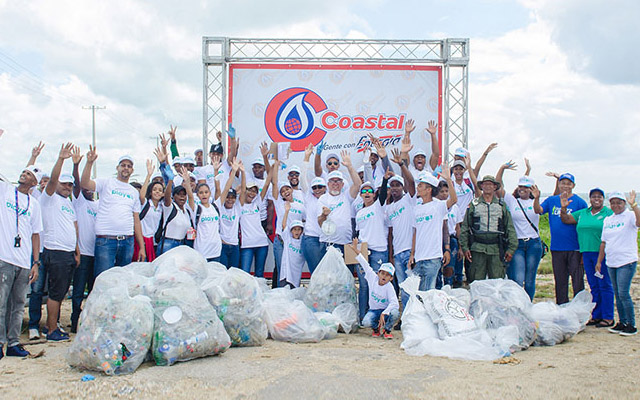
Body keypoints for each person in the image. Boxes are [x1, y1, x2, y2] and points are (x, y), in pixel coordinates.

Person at [37, 143, 79, 342]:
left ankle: (51, 325)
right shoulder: (49, 198)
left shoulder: (68, 202)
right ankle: (52, 329)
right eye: (64, 184)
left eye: (70, 185)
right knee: (55, 292)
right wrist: (61, 159)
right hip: (56, 251)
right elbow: (53, 180)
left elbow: (73, 227)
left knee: (61, 292)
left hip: (68, 252)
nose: (67, 187)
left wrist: (77, 251)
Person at [81, 147, 146, 276]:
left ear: (132, 170)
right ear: (117, 168)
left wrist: (141, 247)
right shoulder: (106, 183)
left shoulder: (133, 192)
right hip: (106, 240)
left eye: (129, 166)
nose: (126, 168)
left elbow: (136, 221)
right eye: (123, 165)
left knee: (122, 281)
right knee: (103, 279)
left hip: (127, 241)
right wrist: (89, 163)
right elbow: (85, 183)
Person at [0, 165, 42, 358]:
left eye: (28, 174)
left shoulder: (33, 204)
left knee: (18, 305)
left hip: (24, 262)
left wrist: (35, 262)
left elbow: (35, 235)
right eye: (23, 172)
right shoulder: (6, 191)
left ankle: (13, 343)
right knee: (1, 303)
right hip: (4, 258)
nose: (23, 175)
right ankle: (0, 342)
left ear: (34, 182)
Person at [559, 188, 614, 326]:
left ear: (603, 199)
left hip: (602, 253)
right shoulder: (583, 213)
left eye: (599, 197)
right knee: (594, 285)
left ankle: (608, 317)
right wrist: (563, 208)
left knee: (605, 284)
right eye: (594, 196)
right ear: (590, 199)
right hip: (586, 253)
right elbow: (566, 219)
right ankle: (596, 315)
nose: (597, 199)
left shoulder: (609, 213)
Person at [534, 173, 588, 304]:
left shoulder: (580, 202)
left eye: (568, 183)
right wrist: (536, 198)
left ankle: (579, 309)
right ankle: (562, 309)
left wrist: (583, 250)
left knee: (577, 282)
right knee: (560, 281)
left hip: (575, 248)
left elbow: (585, 226)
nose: (565, 185)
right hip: (557, 248)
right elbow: (538, 210)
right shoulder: (552, 200)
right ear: (559, 184)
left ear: (573, 185)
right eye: (563, 182)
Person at [496, 159, 543, 300]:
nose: (523, 189)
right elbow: (498, 186)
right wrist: (502, 168)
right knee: (517, 278)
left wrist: (537, 198)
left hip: (534, 243)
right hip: (517, 244)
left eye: (526, 187)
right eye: (521, 186)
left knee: (529, 279)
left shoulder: (536, 201)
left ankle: (528, 305)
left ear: (532, 189)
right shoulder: (512, 201)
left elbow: (538, 210)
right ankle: (517, 304)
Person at [595, 192, 639, 336]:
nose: (616, 205)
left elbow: (639, 222)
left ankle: (631, 325)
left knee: (623, 293)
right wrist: (599, 261)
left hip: (626, 261)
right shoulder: (608, 220)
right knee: (617, 294)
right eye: (613, 203)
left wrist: (634, 205)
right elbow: (603, 242)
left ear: (624, 203)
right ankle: (622, 322)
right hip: (611, 261)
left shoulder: (630, 216)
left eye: (619, 202)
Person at [460, 175, 517, 281]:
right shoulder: (474, 204)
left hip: (496, 249)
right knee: (476, 281)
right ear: (481, 186)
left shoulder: (502, 205)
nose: (487, 186)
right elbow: (465, 227)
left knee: (497, 282)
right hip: (477, 248)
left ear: (495, 187)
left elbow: (509, 227)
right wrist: (465, 247)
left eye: (490, 184)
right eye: (485, 184)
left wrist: (511, 248)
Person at [409, 166, 457, 290]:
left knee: (428, 293)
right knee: (416, 293)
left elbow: (454, 200)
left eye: (420, 186)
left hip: (433, 258)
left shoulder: (438, 206)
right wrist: (412, 255)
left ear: (429, 189)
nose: (418, 188)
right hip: (418, 259)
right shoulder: (416, 208)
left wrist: (448, 180)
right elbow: (415, 233)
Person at [69, 146, 99, 334]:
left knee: (94, 292)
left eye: (91, 188)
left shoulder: (98, 205)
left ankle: (89, 321)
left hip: (97, 253)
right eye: (85, 188)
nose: (88, 190)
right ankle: (74, 321)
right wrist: (76, 165)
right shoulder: (79, 201)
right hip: (83, 253)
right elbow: (78, 184)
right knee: (78, 291)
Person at [349, 239, 400, 339]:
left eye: (387, 275)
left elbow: (395, 303)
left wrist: (385, 312)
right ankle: (376, 329)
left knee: (395, 313)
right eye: (382, 273)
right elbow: (364, 263)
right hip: (374, 310)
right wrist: (355, 250)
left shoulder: (389, 287)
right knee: (366, 322)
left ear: (391, 278)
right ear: (378, 273)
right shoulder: (372, 277)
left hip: (385, 311)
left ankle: (387, 329)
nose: (384, 277)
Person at [386, 146, 416, 308]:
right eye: (393, 186)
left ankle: (415, 315)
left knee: (413, 287)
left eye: (398, 185)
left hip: (411, 252)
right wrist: (390, 256)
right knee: (403, 288)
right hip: (397, 255)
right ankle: (406, 317)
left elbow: (411, 182)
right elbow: (390, 234)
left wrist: (401, 165)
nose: (395, 188)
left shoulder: (409, 200)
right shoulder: (389, 208)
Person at [317, 150, 362, 256]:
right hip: (328, 243)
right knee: (328, 273)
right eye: (332, 181)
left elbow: (358, 184)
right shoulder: (323, 199)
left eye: (338, 181)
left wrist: (350, 166)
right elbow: (320, 223)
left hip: (346, 243)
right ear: (328, 184)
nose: (335, 184)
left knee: (347, 273)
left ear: (342, 184)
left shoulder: (347, 196)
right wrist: (324, 215)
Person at [271, 161, 306, 287]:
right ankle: (282, 299)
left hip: (295, 243)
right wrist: (275, 165)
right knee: (282, 272)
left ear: (291, 190)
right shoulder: (279, 203)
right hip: (281, 241)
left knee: (295, 272)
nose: (285, 192)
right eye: (282, 191)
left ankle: (293, 297)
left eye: (287, 189)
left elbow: (305, 220)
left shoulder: (300, 205)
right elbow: (274, 183)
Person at [239, 159, 273, 278]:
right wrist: (243, 172)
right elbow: (243, 189)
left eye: (254, 191)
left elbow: (268, 181)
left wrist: (272, 163)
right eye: (250, 190)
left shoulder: (257, 202)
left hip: (262, 243)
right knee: (245, 273)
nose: (252, 193)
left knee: (259, 274)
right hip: (247, 245)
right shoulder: (240, 205)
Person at [300, 144, 327, 274]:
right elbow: (302, 178)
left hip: (326, 240)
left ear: (325, 187)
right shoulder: (309, 197)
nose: (317, 189)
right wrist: (307, 157)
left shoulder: (329, 198)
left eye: (320, 187)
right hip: (311, 239)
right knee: (316, 273)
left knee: (326, 275)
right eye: (314, 187)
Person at [156, 163, 194, 255]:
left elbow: (191, 197)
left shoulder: (187, 210)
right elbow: (167, 196)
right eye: (179, 195)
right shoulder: (170, 207)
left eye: (183, 195)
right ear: (174, 196)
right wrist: (170, 181)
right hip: (168, 245)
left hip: (182, 245)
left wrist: (187, 181)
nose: (182, 197)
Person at [215, 168, 242, 268]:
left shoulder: (237, 208)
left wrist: (239, 171)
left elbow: (243, 190)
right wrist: (233, 171)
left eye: (232, 197)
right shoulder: (220, 207)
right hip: (222, 245)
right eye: (228, 197)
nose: (230, 200)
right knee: (223, 273)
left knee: (233, 273)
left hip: (235, 246)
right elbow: (222, 189)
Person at [137, 159, 164, 261]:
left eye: (160, 190)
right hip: (143, 243)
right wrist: (148, 176)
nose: (157, 192)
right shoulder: (146, 204)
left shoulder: (162, 207)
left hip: (156, 243)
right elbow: (141, 196)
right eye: (155, 189)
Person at [191, 182, 222, 262]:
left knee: (215, 274)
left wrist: (233, 173)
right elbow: (190, 196)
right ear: (197, 195)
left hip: (216, 250)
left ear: (210, 193)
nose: (204, 195)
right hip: (202, 250)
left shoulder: (215, 206)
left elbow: (224, 190)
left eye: (206, 192)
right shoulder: (196, 209)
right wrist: (187, 181)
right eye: (201, 193)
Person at [278, 213, 305, 288]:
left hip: (296, 274)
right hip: (286, 274)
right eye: (295, 229)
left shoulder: (303, 242)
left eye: (299, 229)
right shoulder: (287, 239)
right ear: (291, 231)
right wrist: (286, 211)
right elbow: (283, 225)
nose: (297, 232)